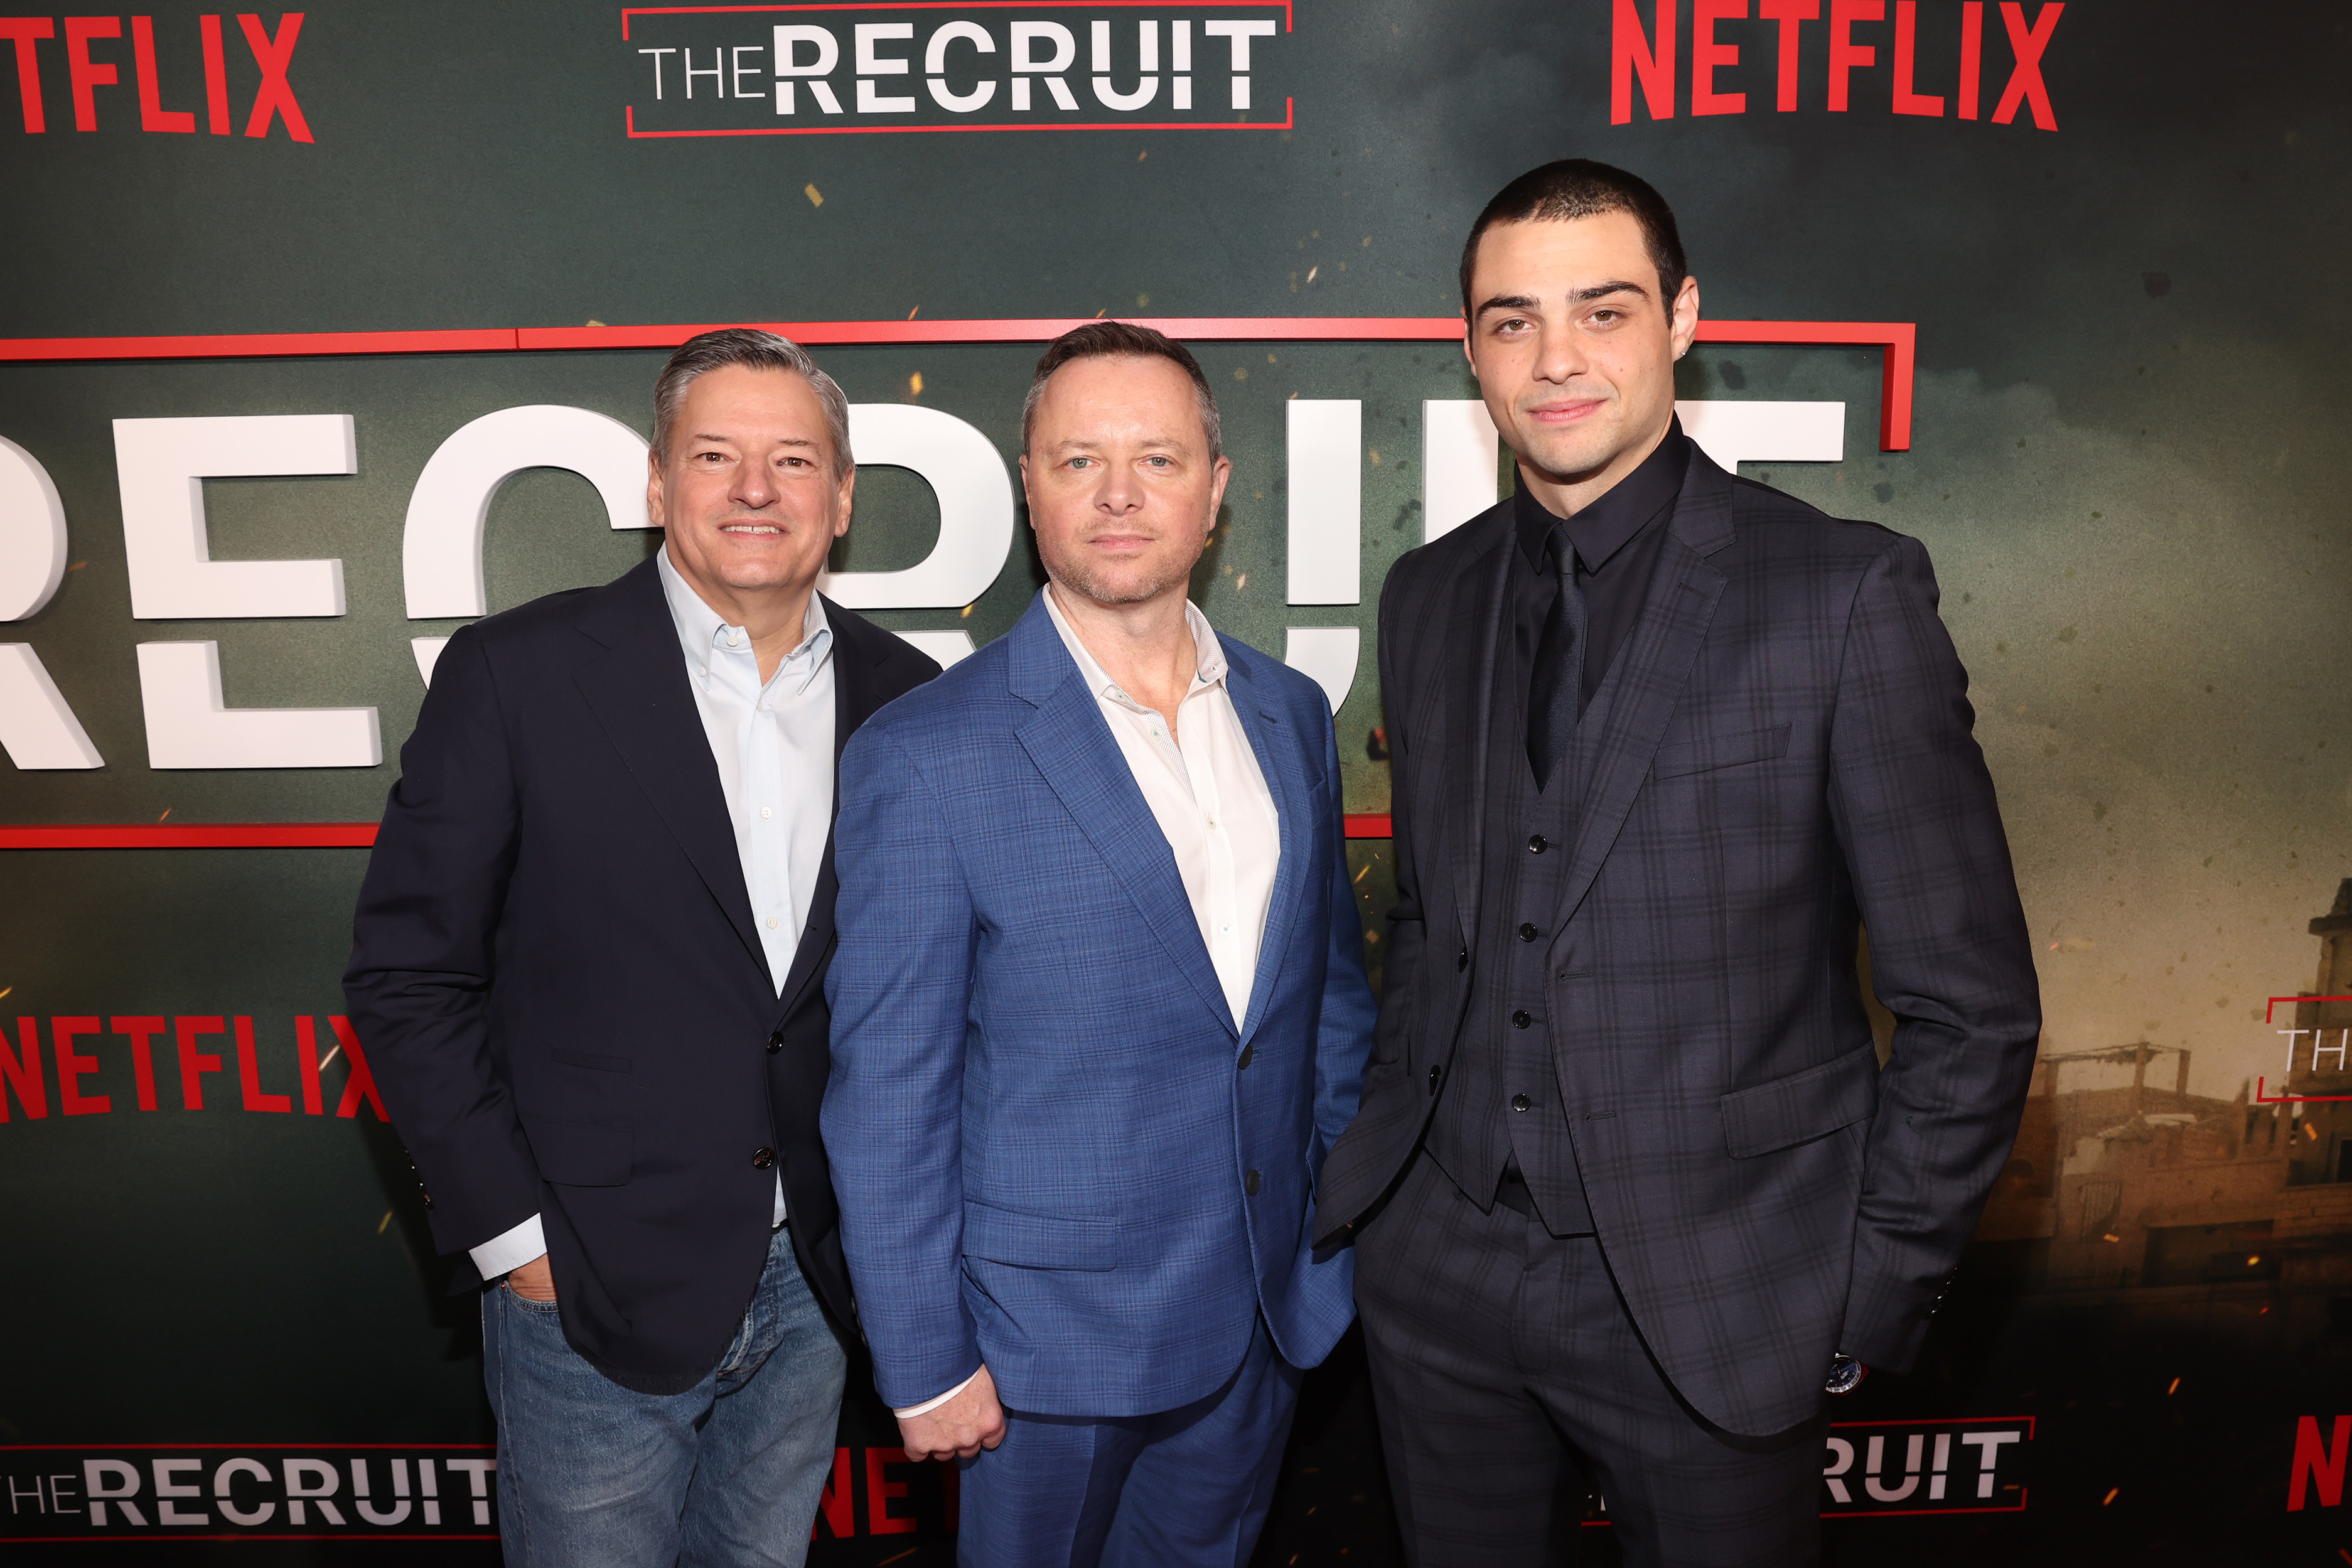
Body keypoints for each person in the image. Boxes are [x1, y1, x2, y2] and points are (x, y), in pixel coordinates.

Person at [1317, 160, 2042, 1565]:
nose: (1556, 358)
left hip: (1721, 1288)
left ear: (1682, 317)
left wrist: (1868, 1284)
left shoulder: (1841, 592)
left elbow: (1971, 1003)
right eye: (1513, 320)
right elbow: (1433, 917)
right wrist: (1390, 1197)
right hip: (1436, 1269)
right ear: (1470, 348)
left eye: (1602, 310)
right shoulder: (1427, 593)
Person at [343, 328, 937, 1566]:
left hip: (818, 1282)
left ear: (840, 498)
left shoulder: (909, 695)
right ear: (658, 483)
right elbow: (407, 977)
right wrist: (519, 1245)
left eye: (793, 459)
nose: (755, 487)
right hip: (588, 1284)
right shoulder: (518, 672)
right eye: (715, 454)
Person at [822, 320, 1376, 1567]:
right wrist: (925, 1356)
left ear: (1214, 491)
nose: (1119, 494)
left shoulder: (1290, 714)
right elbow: (888, 1089)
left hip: (1260, 1323)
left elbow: (1327, 1006)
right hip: (1033, 1359)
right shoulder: (925, 752)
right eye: (1079, 461)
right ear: (1031, 488)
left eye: (1158, 459)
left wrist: (1330, 1240)